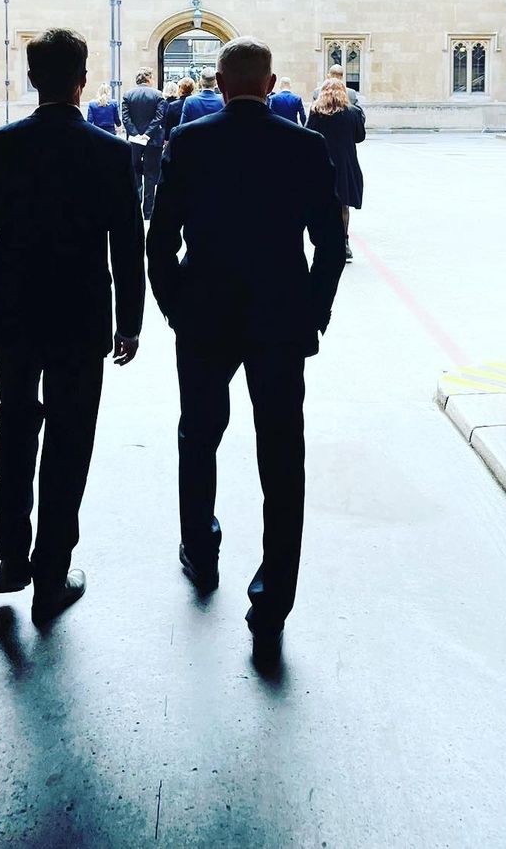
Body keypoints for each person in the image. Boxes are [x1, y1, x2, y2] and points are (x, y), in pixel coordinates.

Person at [147, 37, 346, 668]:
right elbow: (330, 244)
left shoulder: (190, 141)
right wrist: (312, 312)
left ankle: (200, 551)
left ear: (221, 83)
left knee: (198, 436)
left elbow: (160, 239)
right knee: (282, 456)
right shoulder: (305, 145)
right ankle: (273, 596)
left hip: (205, 315)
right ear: (270, 83)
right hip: (279, 321)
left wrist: (175, 305)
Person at [0, 28, 144, 626]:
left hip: (13, 314)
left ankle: (11, 559)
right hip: (81, 317)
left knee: (15, 427)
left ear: (32, 79)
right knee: (68, 440)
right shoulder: (109, 153)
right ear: (83, 78)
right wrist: (129, 322)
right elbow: (127, 249)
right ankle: (51, 575)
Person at [306, 77, 365, 263]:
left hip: (321, 162)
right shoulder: (353, 112)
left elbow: (309, 135)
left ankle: (323, 241)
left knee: (321, 203)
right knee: (343, 205)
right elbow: (360, 137)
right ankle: (344, 243)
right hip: (345, 163)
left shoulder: (316, 112)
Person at [122, 68, 167, 218]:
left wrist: (135, 134)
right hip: (153, 140)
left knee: (135, 173)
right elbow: (159, 116)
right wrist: (147, 134)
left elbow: (126, 118)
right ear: (149, 79)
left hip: (134, 141)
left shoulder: (128, 94)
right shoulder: (158, 94)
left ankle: (136, 206)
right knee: (150, 175)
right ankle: (148, 211)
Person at [165, 75, 195, 143]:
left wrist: (167, 139)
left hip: (177, 139)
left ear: (180, 88)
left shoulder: (172, 105)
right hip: (193, 138)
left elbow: (169, 125)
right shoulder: (196, 103)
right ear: (193, 89)